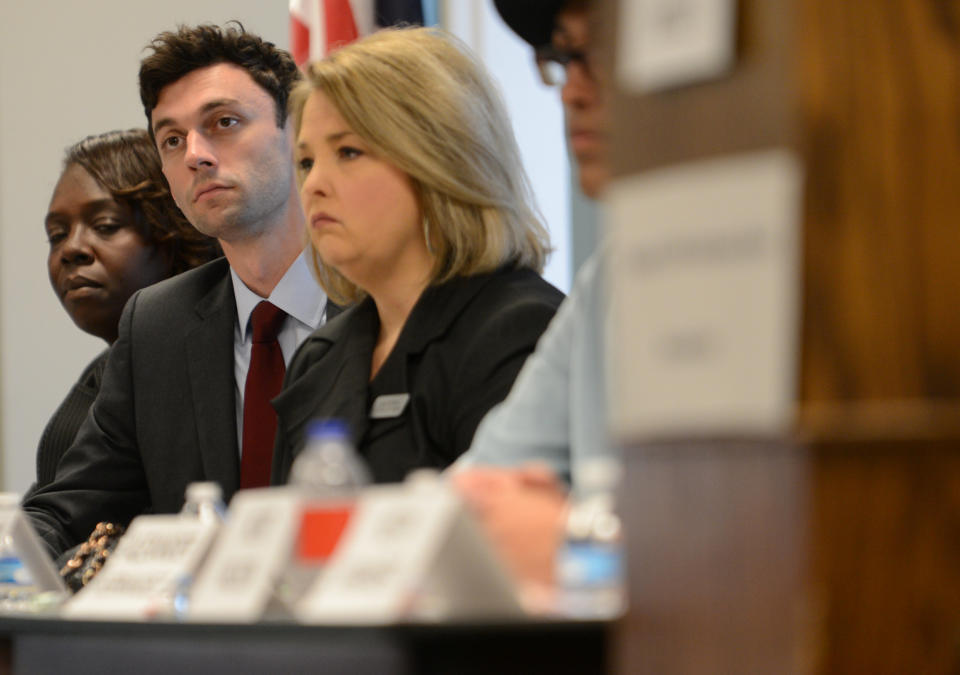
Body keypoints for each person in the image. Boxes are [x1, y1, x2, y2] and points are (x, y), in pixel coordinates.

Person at [23, 24, 329, 558]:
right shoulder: (158, 325)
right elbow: (70, 508)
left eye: (224, 123)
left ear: (296, 132)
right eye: (171, 139)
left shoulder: (380, 299)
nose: (196, 154)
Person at [271, 27, 564, 483]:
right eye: (306, 162)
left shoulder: (519, 330)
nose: (313, 185)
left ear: (439, 163)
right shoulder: (319, 357)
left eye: (348, 152)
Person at [453, 0, 612, 587]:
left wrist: (569, 539)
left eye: (601, 55)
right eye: (565, 58)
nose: (571, 92)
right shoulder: (610, 278)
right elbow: (476, 492)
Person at [34, 129, 220, 492]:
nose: (71, 249)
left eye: (105, 226)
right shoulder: (106, 370)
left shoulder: (204, 374)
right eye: (57, 234)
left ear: (174, 231)